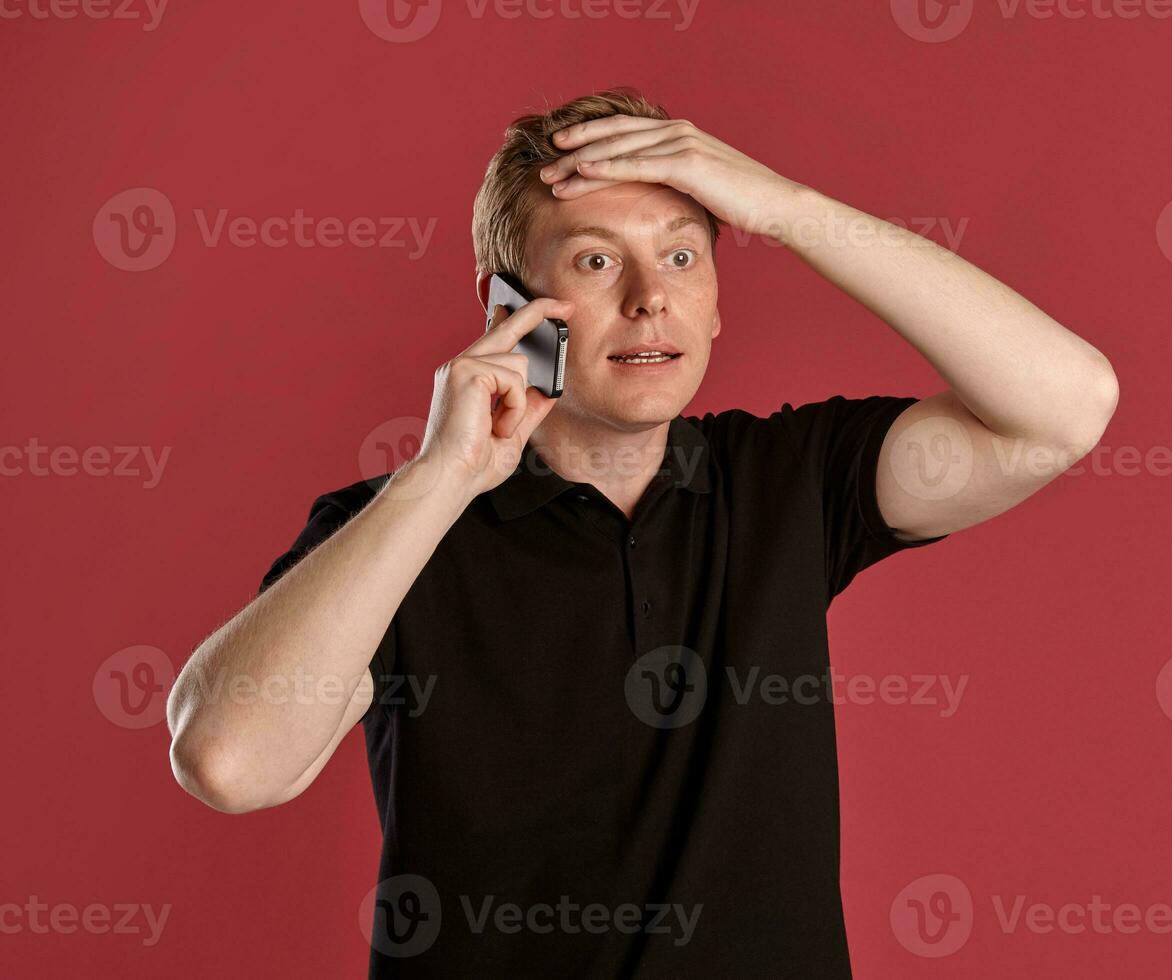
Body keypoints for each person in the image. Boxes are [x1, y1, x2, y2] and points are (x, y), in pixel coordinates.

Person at [165, 87, 1118, 977]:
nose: (648, 296)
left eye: (681, 254)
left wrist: (781, 206)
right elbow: (229, 762)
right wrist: (442, 477)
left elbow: (1066, 407)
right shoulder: (398, 529)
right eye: (594, 260)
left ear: (714, 299)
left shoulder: (785, 480)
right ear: (509, 312)